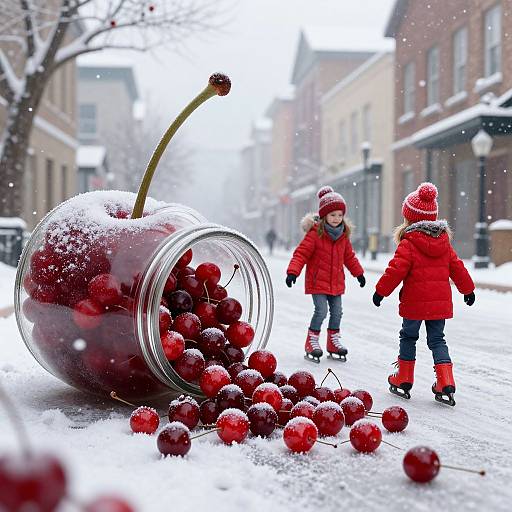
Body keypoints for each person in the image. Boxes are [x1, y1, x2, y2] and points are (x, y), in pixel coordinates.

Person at [373, 182, 475, 406]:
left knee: (408, 337)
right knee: (437, 340)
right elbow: (457, 267)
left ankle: (404, 378)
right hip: (439, 306)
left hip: (414, 305)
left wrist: (380, 292)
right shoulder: (444, 242)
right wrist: (468, 289)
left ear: (409, 219)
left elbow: (395, 271)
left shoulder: (408, 243)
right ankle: (445, 381)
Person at [286, 186, 365, 363]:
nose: (336, 219)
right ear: (324, 216)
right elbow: (301, 254)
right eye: (332, 215)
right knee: (321, 311)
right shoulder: (315, 235)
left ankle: (332, 342)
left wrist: (358, 273)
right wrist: (293, 272)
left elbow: (349, 257)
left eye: (339, 215)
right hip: (317, 283)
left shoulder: (343, 236)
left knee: (337, 312)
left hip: (336, 283)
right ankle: (312, 341)